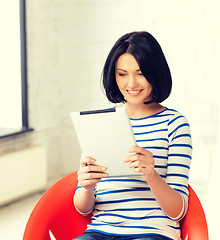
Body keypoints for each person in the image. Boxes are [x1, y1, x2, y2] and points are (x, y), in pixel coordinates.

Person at [73, 31, 192, 240]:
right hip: (100, 232)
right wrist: (87, 187)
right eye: (122, 74)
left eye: (141, 73)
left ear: (155, 73)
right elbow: (83, 209)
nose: (131, 84)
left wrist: (151, 176)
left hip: (152, 232)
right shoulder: (99, 123)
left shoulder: (174, 124)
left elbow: (178, 211)